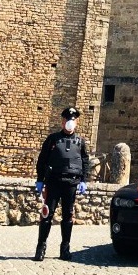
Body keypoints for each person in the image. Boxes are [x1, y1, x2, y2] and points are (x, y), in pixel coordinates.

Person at [33, 106, 89, 261]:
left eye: (72, 119)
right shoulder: (52, 139)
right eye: (67, 119)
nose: (69, 122)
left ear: (76, 122)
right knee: (46, 215)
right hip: (53, 182)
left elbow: (85, 161)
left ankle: (65, 249)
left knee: (68, 217)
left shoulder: (80, 142)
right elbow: (42, 160)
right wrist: (39, 180)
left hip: (71, 183)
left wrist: (84, 180)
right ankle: (41, 247)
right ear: (62, 121)